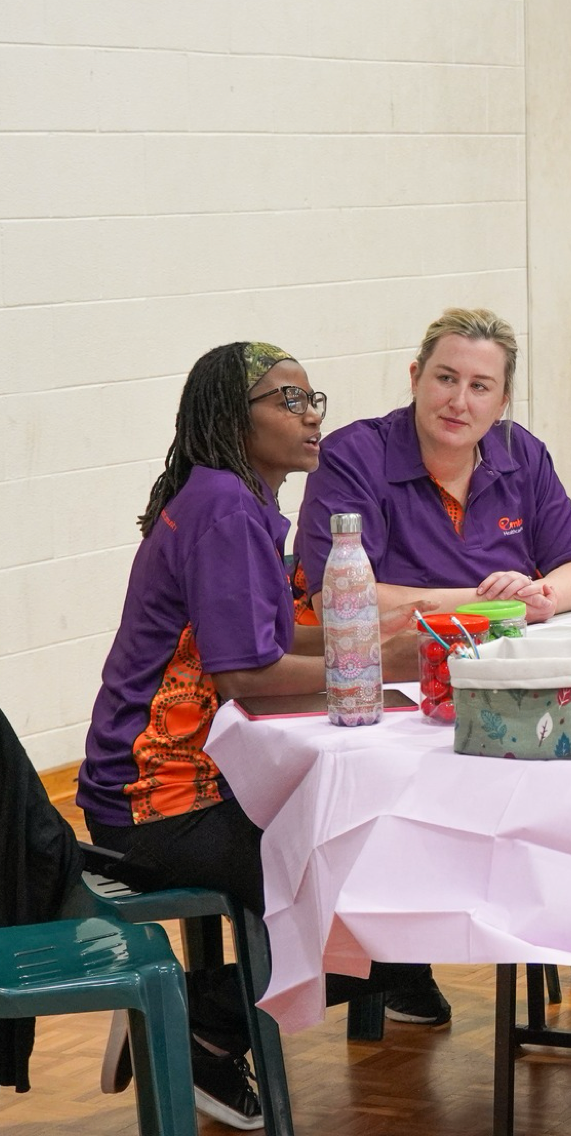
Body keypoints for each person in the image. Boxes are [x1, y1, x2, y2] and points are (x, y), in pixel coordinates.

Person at [75, 344, 442, 1130]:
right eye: (287, 401)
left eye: (314, 400)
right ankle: (194, 1017)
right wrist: (378, 662)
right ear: (229, 419)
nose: (312, 417)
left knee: (380, 889)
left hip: (180, 788)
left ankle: (191, 1017)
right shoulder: (224, 509)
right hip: (158, 805)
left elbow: (274, 638)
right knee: (380, 918)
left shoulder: (231, 500)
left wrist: (382, 636)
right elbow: (246, 673)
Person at [297, 308, 571, 622]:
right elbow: (341, 601)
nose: (459, 402)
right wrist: (497, 605)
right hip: (399, 662)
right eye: (446, 378)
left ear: (502, 403)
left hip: (509, 652)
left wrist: (545, 597)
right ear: (416, 378)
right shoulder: (349, 458)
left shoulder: (521, 452)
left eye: (479, 386)